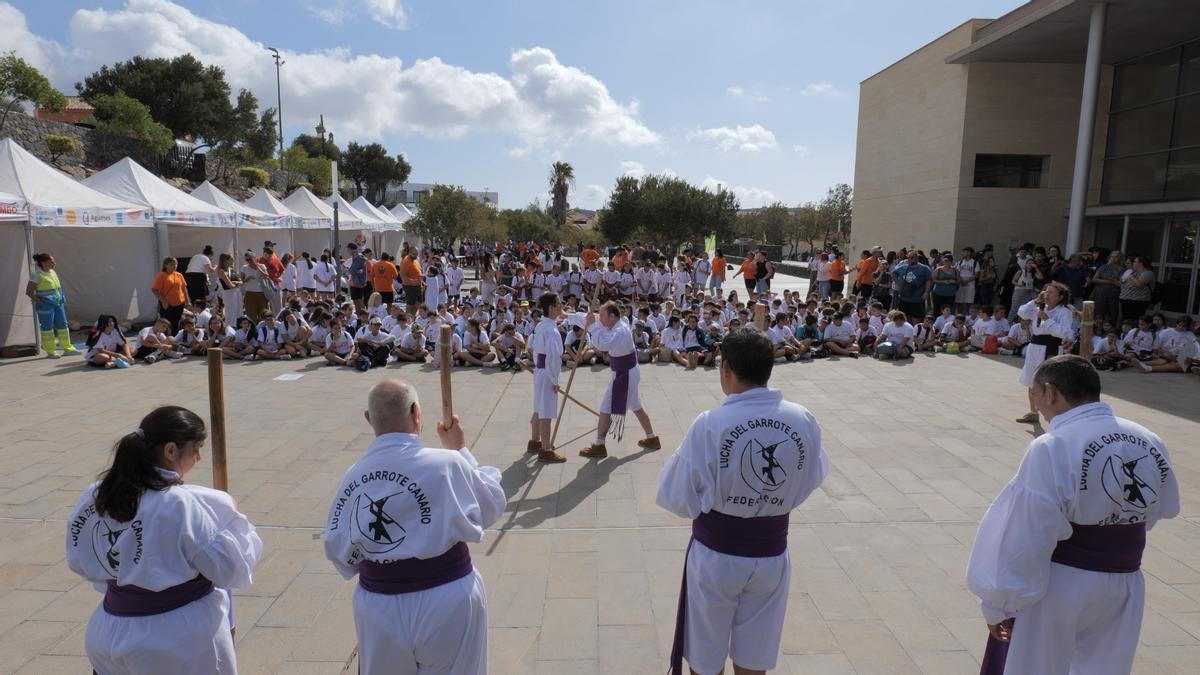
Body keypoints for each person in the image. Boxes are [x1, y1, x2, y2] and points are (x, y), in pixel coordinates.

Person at [966, 355, 1178, 675]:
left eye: (1034, 395)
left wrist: (1000, 603)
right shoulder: (1149, 439)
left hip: (1062, 582)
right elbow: (1161, 507)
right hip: (1125, 583)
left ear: (1050, 392)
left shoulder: (1052, 445)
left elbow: (1027, 532)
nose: (1036, 405)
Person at [656, 329, 829, 675]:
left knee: (706, 657)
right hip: (771, 556)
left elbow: (674, 495)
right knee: (754, 655)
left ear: (726, 369)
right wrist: (771, 500)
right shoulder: (802, 418)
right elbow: (813, 476)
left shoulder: (711, 423)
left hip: (717, 557)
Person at [65, 406, 262, 675]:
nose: (200, 457)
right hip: (174, 640)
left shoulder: (97, 493)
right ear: (171, 450)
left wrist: (130, 579)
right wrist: (230, 520)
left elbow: (82, 559)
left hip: (107, 630)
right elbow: (230, 570)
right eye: (197, 448)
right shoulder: (179, 502)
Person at [324, 380, 504, 674]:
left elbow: (339, 553)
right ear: (417, 413)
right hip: (448, 599)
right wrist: (459, 448)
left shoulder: (352, 477)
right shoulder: (447, 463)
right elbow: (491, 505)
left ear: (369, 418)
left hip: (379, 607)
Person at [578, 302, 662, 458]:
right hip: (627, 371)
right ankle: (652, 438)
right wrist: (566, 316)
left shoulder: (620, 330)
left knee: (605, 408)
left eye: (603, 316)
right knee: (636, 405)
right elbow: (594, 318)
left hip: (625, 374)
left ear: (612, 316)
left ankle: (599, 445)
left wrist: (592, 327)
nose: (600, 318)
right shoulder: (618, 321)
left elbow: (603, 344)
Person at [1015, 281, 1073, 424]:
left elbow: (1063, 332)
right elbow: (1022, 313)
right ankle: (1033, 412)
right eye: (1046, 291)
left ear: (1060, 296)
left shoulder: (1064, 312)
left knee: (1049, 381)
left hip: (1051, 346)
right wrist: (1036, 301)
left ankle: (1054, 413)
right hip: (1034, 345)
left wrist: (1047, 320)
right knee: (1031, 378)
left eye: (1051, 292)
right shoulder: (1039, 307)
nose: (1047, 295)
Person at [528, 292, 566, 463]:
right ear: (551, 308)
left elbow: (537, 353)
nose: (561, 306)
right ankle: (546, 449)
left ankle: (535, 441)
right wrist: (555, 381)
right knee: (546, 411)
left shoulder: (542, 325)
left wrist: (539, 368)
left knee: (538, 407)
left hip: (540, 371)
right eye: (558, 304)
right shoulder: (550, 330)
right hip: (546, 373)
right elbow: (552, 358)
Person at [25, 252, 78, 358]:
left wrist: (61, 298)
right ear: (43, 263)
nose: (54, 263)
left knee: (63, 326)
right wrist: (40, 302)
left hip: (58, 304)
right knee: (47, 328)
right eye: (51, 261)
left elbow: (57, 288)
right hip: (46, 306)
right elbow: (29, 291)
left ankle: (67, 348)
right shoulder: (37, 275)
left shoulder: (53, 272)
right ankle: (50, 351)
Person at [152, 257, 190, 334]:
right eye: (172, 264)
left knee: (176, 323)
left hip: (179, 303)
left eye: (176, 264)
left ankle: (174, 340)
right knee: (166, 324)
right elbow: (154, 289)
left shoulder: (179, 275)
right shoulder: (161, 275)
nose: (175, 266)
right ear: (166, 265)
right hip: (167, 304)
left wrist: (188, 301)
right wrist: (163, 301)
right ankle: (166, 339)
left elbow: (184, 288)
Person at [892, 250, 932, 321]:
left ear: (917, 258)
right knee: (902, 319)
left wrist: (926, 292)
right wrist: (897, 284)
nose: (910, 259)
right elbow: (894, 273)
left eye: (912, 257)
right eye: (908, 257)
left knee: (916, 319)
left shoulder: (924, 269)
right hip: (903, 298)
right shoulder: (903, 267)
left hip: (917, 300)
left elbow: (929, 280)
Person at [1091, 250, 1124, 329]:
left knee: (1112, 314)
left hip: (1115, 294)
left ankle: (1110, 331)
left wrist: (1115, 282)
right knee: (1099, 313)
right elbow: (1094, 279)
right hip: (1101, 293)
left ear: (1120, 258)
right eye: (1112, 256)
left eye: (1115, 256)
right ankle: (1097, 330)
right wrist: (1108, 281)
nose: (1113, 258)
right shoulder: (1104, 267)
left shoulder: (1123, 270)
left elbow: (1123, 284)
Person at [1119, 256, 1155, 322]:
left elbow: (1139, 284)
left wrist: (1131, 276)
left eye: (1135, 262)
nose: (1133, 263)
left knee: (1133, 321)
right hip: (1125, 300)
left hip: (1137, 302)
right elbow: (1121, 283)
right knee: (1125, 320)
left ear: (1140, 263)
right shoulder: (1133, 272)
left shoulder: (1148, 273)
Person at [240, 251, 270, 322]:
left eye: (250, 259)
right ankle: (253, 330)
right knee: (251, 315)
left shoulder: (262, 266)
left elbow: (267, 276)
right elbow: (241, 281)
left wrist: (258, 268)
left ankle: (263, 330)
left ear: (255, 258)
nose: (248, 261)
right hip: (250, 294)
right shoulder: (244, 267)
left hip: (261, 294)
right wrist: (249, 278)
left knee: (264, 313)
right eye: (247, 260)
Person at [216, 253, 243, 322]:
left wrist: (236, 283)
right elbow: (230, 286)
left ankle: (238, 326)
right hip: (229, 294)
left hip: (237, 292)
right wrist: (236, 284)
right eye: (231, 259)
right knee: (231, 312)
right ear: (225, 260)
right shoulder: (221, 271)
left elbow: (241, 282)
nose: (233, 261)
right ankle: (231, 327)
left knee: (239, 311)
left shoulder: (232, 269)